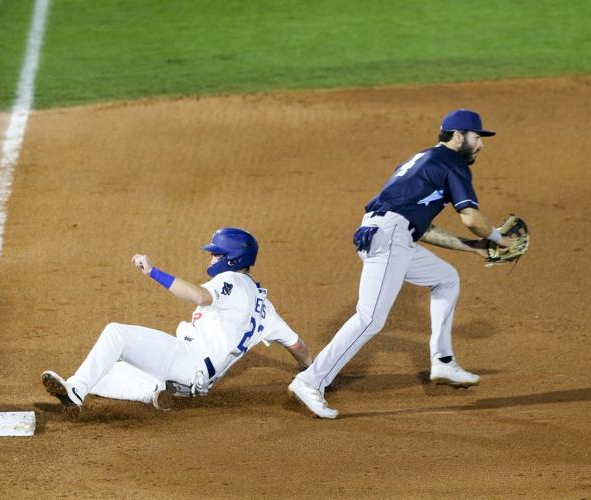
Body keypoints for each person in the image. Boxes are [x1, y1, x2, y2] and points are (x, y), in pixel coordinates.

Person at [288, 109, 517, 419]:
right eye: (478, 138)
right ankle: (310, 381)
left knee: (446, 278)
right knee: (370, 318)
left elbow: (420, 226)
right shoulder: (453, 163)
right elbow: (471, 218)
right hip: (390, 237)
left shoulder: (424, 160)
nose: (482, 145)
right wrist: (498, 238)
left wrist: (473, 247)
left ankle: (443, 361)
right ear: (459, 136)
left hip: (390, 234)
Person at [42, 227, 312, 417]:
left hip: (187, 359)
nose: (212, 258)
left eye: (217, 255)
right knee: (103, 369)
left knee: (116, 335)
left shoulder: (232, 281)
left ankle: (75, 392)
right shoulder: (266, 308)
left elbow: (200, 296)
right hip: (197, 381)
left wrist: (153, 272)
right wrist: (308, 370)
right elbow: (298, 346)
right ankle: (153, 391)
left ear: (233, 259)